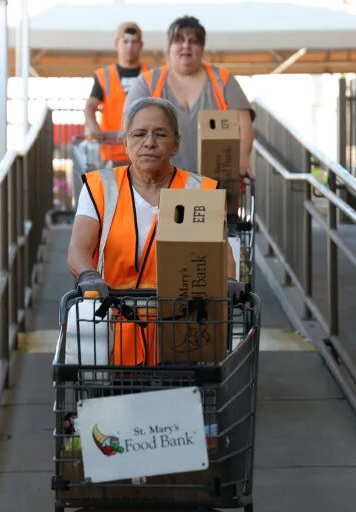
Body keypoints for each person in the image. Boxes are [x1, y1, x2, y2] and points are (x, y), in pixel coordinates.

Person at [68, 97, 242, 366]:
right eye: (139, 134)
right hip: (113, 330)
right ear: (125, 143)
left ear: (176, 144)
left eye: (160, 134)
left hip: (183, 334)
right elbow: (78, 249)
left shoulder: (200, 191)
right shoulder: (100, 188)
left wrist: (228, 280)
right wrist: (88, 274)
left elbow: (221, 253)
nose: (149, 142)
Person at [124, 16, 254, 177]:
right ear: (169, 47)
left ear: (202, 48)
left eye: (193, 41)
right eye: (179, 40)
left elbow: (244, 122)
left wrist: (242, 161)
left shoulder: (223, 80)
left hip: (218, 181)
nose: (186, 46)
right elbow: (130, 126)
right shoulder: (147, 82)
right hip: (161, 181)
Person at [85, 22, 149, 164]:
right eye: (125, 41)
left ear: (141, 45)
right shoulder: (104, 75)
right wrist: (93, 126)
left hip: (145, 152)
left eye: (134, 42)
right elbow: (90, 105)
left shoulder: (152, 75)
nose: (129, 46)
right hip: (113, 152)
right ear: (117, 44)